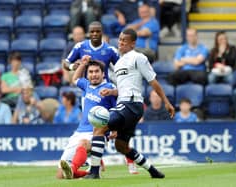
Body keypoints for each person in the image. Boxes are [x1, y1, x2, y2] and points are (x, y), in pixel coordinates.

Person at [81, 28, 174, 179]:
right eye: (119, 39)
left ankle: (94, 172)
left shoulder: (138, 58)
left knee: (99, 127)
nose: (121, 42)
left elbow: (153, 81)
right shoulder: (118, 64)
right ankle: (152, 170)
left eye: (124, 40)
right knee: (121, 146)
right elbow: (123, 88)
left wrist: (166, 102)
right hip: (127, 105)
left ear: (133, 43)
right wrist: (112, 92)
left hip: (131, 104)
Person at [57, 59, 117, 179]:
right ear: (87, 74)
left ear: (103, 73)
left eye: (96, 71)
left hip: (97, 132)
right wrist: (83, 64)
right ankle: (90, 171)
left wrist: (115, 129)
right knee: (60, 175)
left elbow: (116, 109)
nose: (94, 74)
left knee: (83, 144)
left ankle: (73, 169)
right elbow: (75, 79)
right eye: (90, 72)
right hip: (80, 131)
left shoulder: (109, 87)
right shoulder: (86, 85)